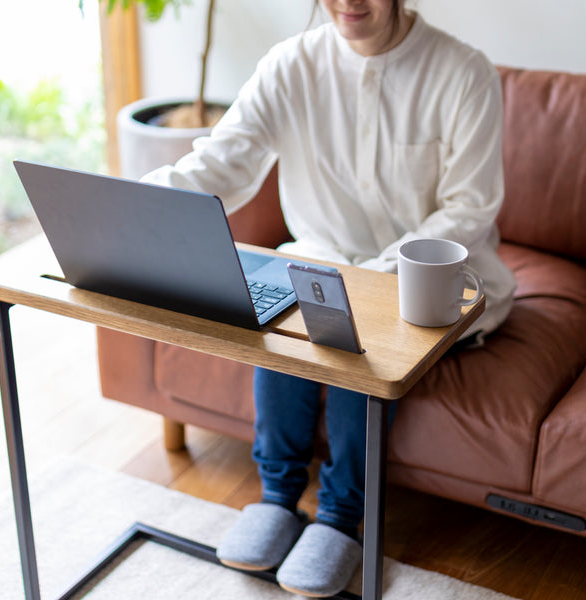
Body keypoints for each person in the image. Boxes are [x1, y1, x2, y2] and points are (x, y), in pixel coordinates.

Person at [141, 0, 516, 596]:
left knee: (353, 326)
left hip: (426, 275)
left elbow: (468, 211)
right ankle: (277, 499)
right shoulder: (289, 65)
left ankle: (342, 518)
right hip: (321, 262)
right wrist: (137, 209)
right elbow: (220, 163)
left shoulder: (462, 72)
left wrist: (370, 280)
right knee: (286, 301)